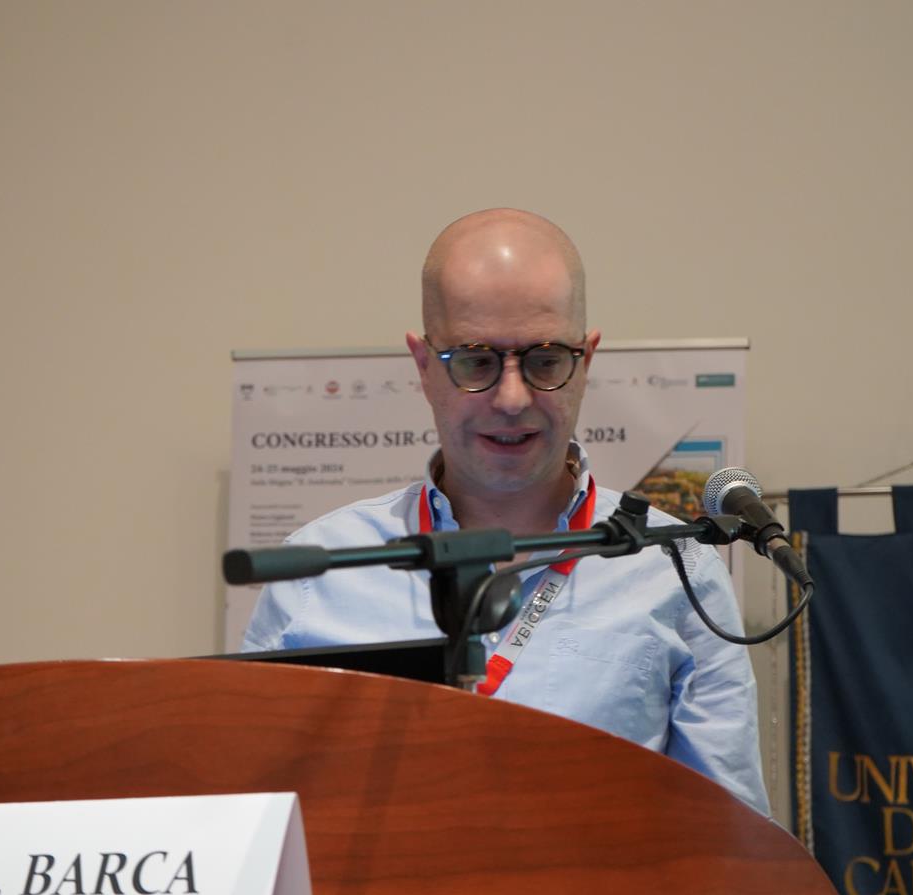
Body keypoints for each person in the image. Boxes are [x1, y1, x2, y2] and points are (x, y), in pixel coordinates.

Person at [242, 208, 769, 815]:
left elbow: (733, 835)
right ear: (423, 365)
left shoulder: (677, 568)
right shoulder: (320, 572)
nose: (513, 398)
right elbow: (256, 816)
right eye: (476, 361)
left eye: (545, 361)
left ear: (586, 360)